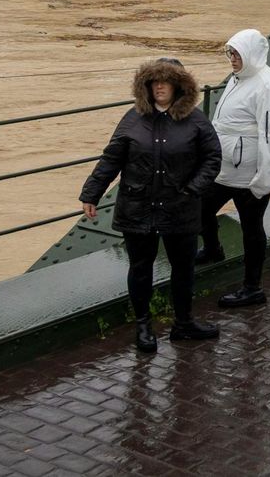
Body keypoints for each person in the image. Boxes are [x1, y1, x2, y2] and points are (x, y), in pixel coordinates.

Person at [79, 58, 223, 352]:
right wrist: (92, 192)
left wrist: (192, 189)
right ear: (145, 85)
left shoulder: (196, 121)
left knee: (183, 268)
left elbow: (212, 158)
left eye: (166, 81)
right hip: (138, 206)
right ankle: (143, 327)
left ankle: (183, 324)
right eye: (154, 81)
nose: (160, 86)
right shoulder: (132, 118)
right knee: (140, 268)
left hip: (180, 207)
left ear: (179, 86)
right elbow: (112, 158)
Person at [198, 28, 270, 308]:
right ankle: (213, 250)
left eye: (237, 53)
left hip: (250, 175)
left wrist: (264, 179)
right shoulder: (238, 78)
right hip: (224, 169)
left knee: (251, 229)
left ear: (251, 53)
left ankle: (252, 288)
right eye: (230, 52)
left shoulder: (268, 86)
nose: (232, 58)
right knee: (199, 208)